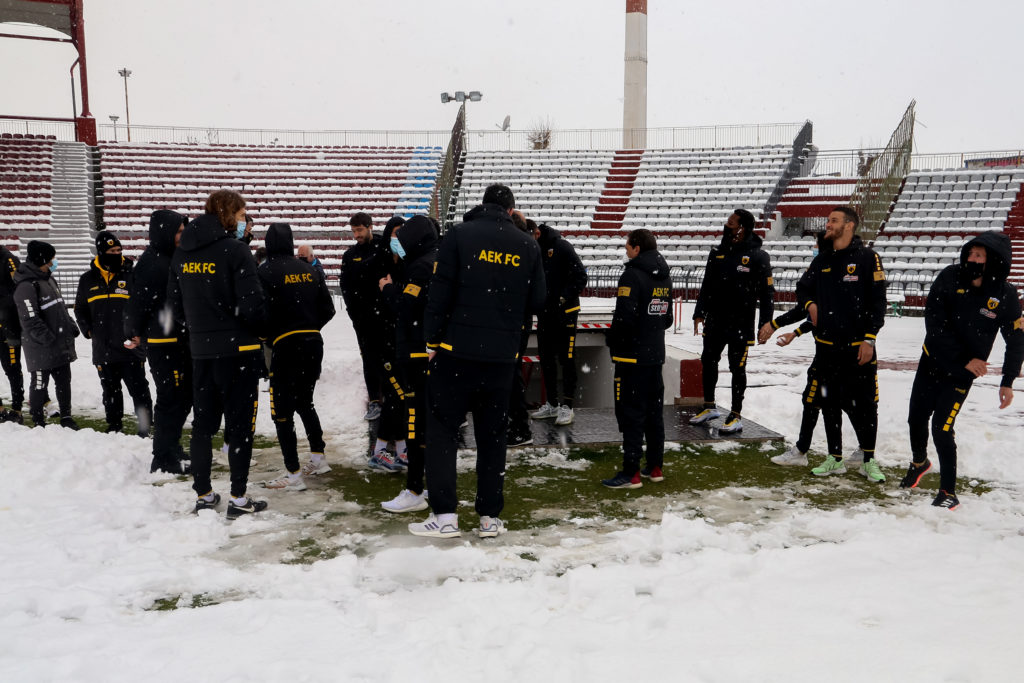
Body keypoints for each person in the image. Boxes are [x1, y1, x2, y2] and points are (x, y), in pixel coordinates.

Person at [409, 184, 545, 538]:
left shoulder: (460, 234)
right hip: (500, 358)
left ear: (482, 204)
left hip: (455, 352)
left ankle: (445, 516)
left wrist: (432, 340)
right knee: (492, 437)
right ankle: (488, 518)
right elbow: (539, 299)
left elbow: (440, 291)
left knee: (441, 431)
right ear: (512, 210)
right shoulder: (527, 244)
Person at [900, 231, 1023, 509]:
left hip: (960, 376)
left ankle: (948, 492)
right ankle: (920, 462)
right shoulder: (949, 277)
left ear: (994, 261)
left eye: (979, 255)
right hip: (932, 362)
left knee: (942, 428)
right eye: (970, 253)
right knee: (915, 420)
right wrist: (965, 357)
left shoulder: (1005, 295)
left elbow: (1016, 340)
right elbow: (934, 325)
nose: (972, 259)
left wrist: (1008, 381)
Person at [168, 190, 268, 519]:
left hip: (201, 352)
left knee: (202, 426)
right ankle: (238, 498)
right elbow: (252, 307)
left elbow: (174, 306)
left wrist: (201, 330)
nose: (244, 222)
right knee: (239, 428)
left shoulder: (182, 253)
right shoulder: (235, 251)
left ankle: (204, 494)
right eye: (242, 215)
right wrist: (249, 326)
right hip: (238, 352)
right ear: (228, 214)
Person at [795, 206, 887, 482]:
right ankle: (835, 458)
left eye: (833, 220)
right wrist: (810, 304)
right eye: (828, 220)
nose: (828, 224)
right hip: (825, 348)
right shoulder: (823, 259)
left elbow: (878, 303)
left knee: (866, 405)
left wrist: (870, 338)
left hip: (858, 347)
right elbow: (803, 288)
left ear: (849, 226)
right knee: (829, 402)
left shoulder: (869, 258)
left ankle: (868, 460)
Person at [257, 222, 336, 491]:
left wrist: (270, 335)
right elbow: (328, 308)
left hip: (285, 346)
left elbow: (259, 312)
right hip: (314, 344)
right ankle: (318, 457)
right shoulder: (308, 269)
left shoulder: (264, 271)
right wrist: (309, 327)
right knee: (305, 402)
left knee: (282, 412)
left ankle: (293, 475)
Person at [690, 209, 774, 433]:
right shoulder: (717, 252)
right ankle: (709, 407)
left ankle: (736, 414)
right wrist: (699, 312)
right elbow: (707, 285)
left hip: (741, 323)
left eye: (730, 222)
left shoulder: (758, 256)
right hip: (715, 320)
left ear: (741, 228)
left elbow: (767, 294)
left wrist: (766, 323)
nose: (726, 225)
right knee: (708, 361)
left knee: (737, 367)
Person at [601, 229, 673, 488]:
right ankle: (654, 467)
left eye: (627, 246)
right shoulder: (665, 276)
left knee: (631, 414)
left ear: (637, 248)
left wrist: (613, 340)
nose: (625, 250)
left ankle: (630, 473)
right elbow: (668, 319)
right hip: (655, 356)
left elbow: (624, 318)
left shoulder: (631, 276)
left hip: (631, 358)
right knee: (654, 414)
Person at [124, 210, 193, 474]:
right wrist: (134, 331)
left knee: (183, 397)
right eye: (177, 231)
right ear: (164, 232)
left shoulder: (172, 258)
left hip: (178, 339)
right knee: (170, 398)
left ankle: (171, 446)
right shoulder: (152, 263)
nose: (182, 235)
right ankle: (162, 456)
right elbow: (137, 303)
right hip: (164, 342)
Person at [377, 215, 438, 512]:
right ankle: (432, 486)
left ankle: (415, 489)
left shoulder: (421, 267)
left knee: (415, 424)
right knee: (428, 424)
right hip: (430, 351)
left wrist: (388, 289)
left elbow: (405, 306)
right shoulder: (438, 260)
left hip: (416, 354)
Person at [75, 231, 153, 436]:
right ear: (101, 252)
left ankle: (146, 428)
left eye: (119, 250)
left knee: (139, 391)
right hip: (103, 349)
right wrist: (89, 330)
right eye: (112, 251)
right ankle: (114, 426)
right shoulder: (87, 280)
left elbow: (146, 307)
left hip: (131, 348)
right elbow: (80, 309)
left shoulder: (132, 275)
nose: (117, 254)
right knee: (110, 391)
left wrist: (141, 334)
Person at [13, 240, 79, 429]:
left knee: (64, 381)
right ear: (40, 259)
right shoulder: (26, 286)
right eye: (50, 259)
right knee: (40, 382)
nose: (53, 263)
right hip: (41, 347)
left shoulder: (49, 279)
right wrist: (49, 339)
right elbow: (30, 320)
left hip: (60, 343)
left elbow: (60, 308)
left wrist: (70, 326)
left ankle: (66, 417)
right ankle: (38, 421)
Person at [528, 222, 588, 426]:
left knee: (567, 359)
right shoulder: (536, 250)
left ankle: (568, 407)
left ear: (536, 233)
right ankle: (552, 404)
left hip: (566, 315)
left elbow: (581, 276)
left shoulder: (562, 247)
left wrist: (563, 297)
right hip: (546, 315)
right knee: (546, 359)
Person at [340, 212, 391, 421]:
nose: (356, 235)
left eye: (359, 230)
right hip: (363, 320)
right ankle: (374, 401)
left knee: (389, 358)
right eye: (353, 231)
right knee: (370, 360)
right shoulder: (350, 255)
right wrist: (355, 315)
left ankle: (393, 397)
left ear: (370, 227)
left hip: (386, 316)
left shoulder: (383, 248)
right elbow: (346, 287)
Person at [506, 212, 535, 447]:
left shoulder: (523, 250)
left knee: (510, 374)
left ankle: (520, 427)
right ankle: (515, 423)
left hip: (514, 321)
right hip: (517, 320)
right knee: (509, 373)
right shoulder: (528, 248)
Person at [0, 244, 25, 423]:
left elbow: (20, 289)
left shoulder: (9, 260)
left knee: (13, 368)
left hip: (8, 326)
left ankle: (17, 409)